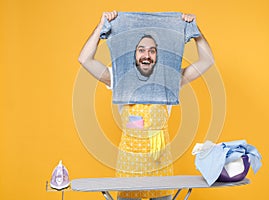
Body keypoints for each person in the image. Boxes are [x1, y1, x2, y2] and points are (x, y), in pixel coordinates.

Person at [78, 11, 214, 200]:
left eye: (152, 50)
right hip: (129, 166)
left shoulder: (170, 79)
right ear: (134, 53)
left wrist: (194, 31)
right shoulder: (119, 77)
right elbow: (84, 59)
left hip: (160, 165)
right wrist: (101, 26)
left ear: (158, 55)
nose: (146, 55)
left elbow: (208, 61)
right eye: (141, 50)